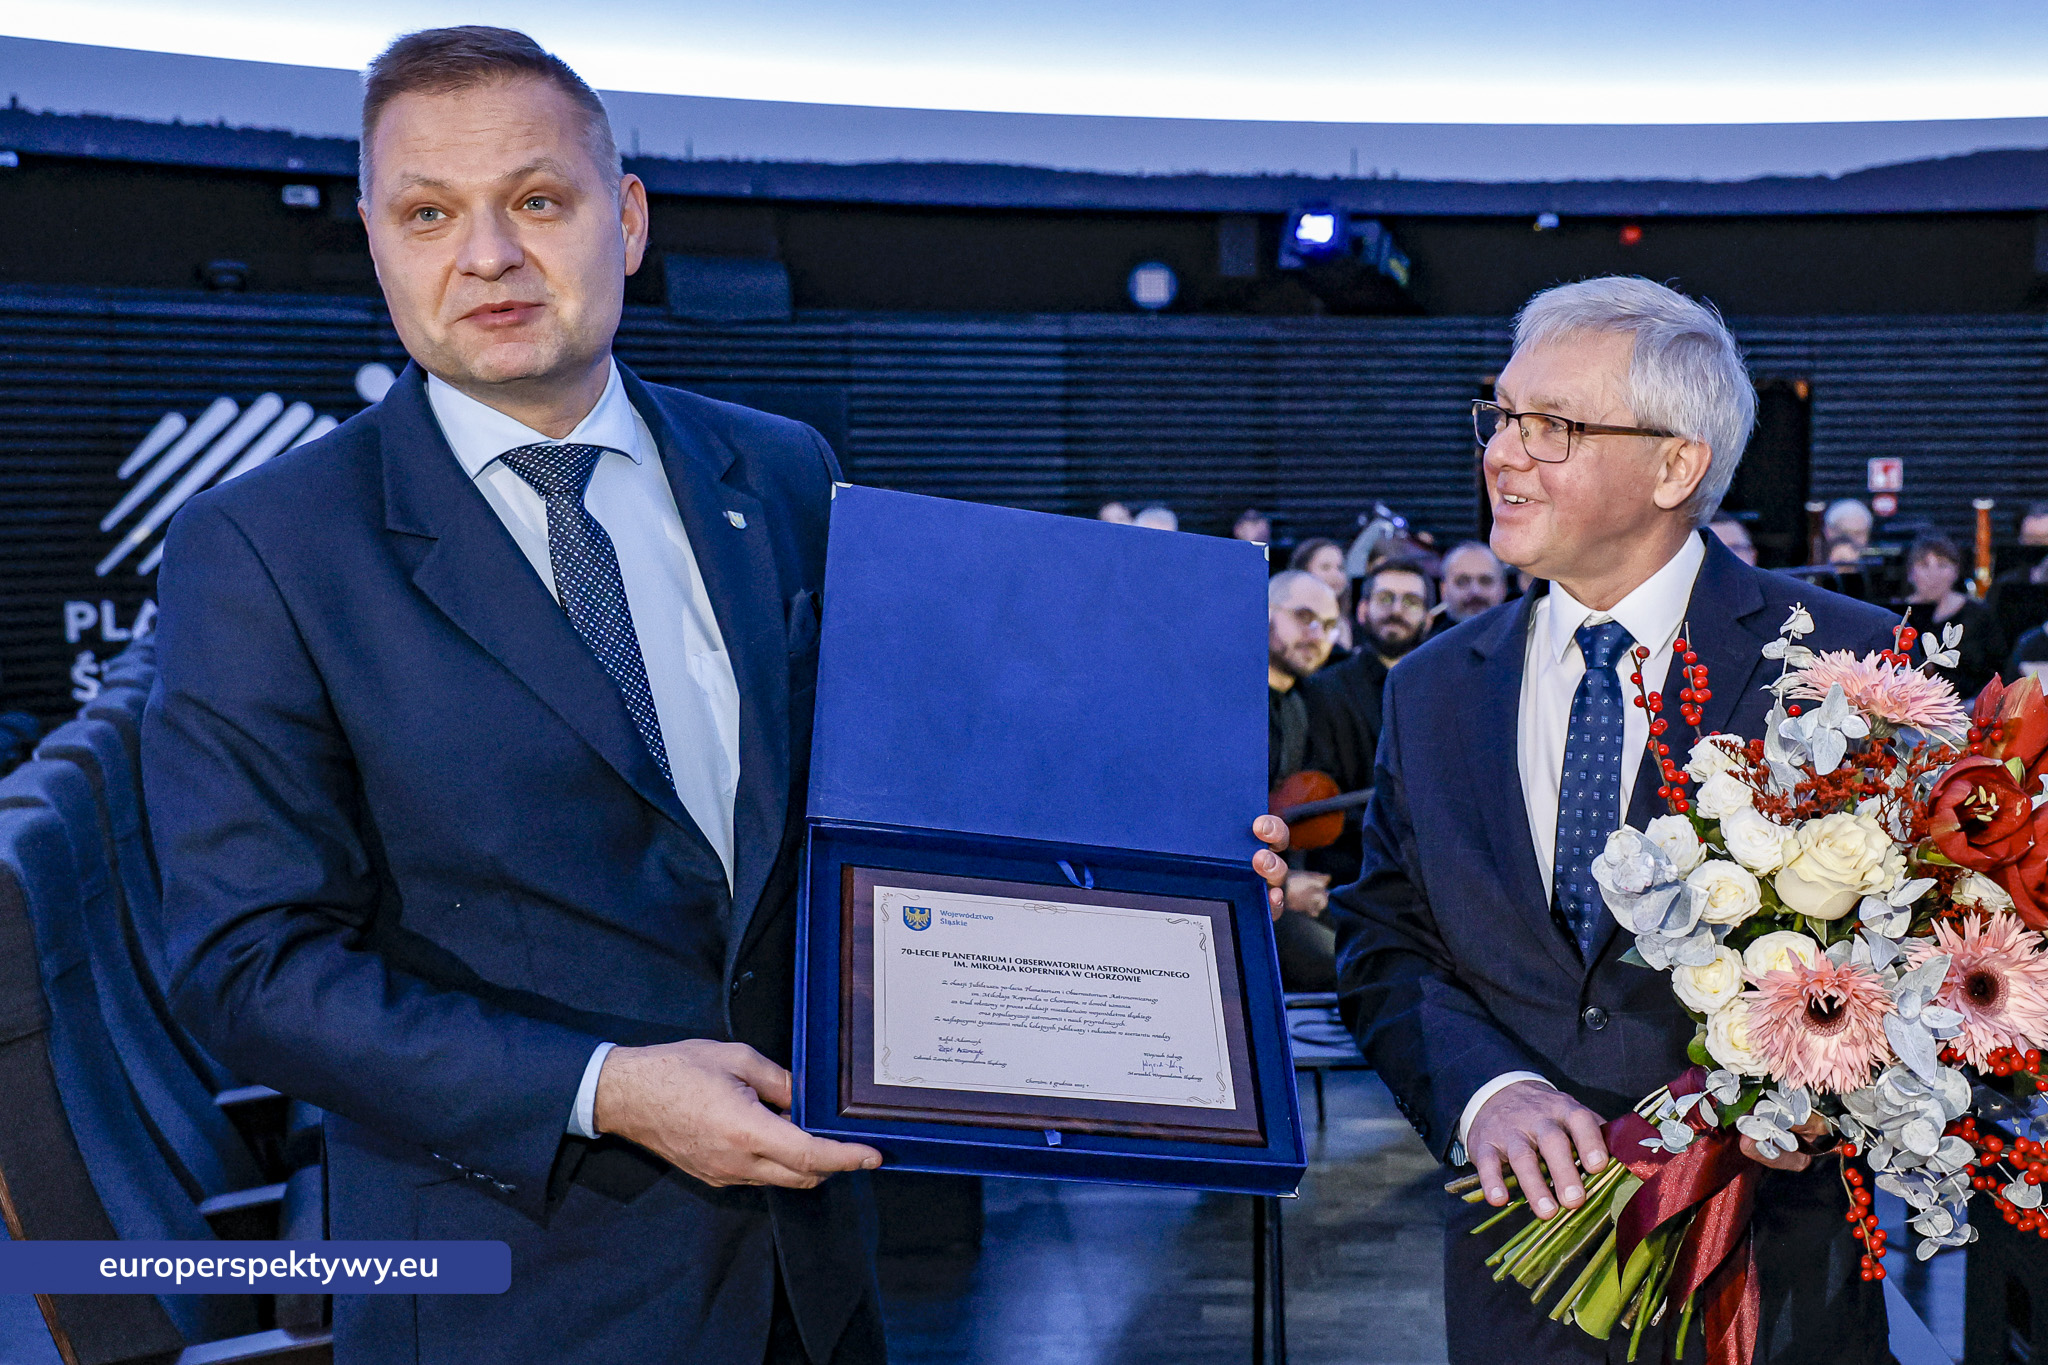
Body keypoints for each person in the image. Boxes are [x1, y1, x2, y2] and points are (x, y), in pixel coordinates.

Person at [140, 27, 1293, 1365]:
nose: (488, 255)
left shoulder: (780, 470)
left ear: (626, 219)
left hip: (813, 1274)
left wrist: (1160, 884)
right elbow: (246, 965)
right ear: (377, 240)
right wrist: (606, 1089)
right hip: (519, 1293)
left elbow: (902, 799)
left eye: (538, 201)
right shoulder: (267, 547)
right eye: (429, 214)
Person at [1330, 276, 1894, 1364]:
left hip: (1773, 1281)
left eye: (1552, 426)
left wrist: (1835, 1089)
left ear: (1675, 466)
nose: (1502, 454)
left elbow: (1938, 949)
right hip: (1522, 1277)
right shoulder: (1431, 688)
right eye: (1500, 415)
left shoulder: (1844, 665)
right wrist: (1484, 1094)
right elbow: (1384, 939)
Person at [1297, 557, 1433, 888]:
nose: (1396, 610)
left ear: (1428, 619)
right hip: (1347, 876)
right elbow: (1318, 799)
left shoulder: (1445, 692)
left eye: (1411, 602)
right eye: (1385, 599)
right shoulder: (1323, 689)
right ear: (1361, 611)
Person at [1267, 569, 1340, 990]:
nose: (1317, 635)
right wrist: (1284, 882)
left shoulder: (1297, 705)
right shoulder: (1230, 701)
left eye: (1329, 625)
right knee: (1344, 966)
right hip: (1241, 894)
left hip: (1282, 886)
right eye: (1304, 617)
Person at [1903, 531, 2002, 699]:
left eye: (1942, 565)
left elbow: (1997, 667)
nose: (1933, 574)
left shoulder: (1979, 614)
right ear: (1911, 573)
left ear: (1956, 571)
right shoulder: (1897, 615)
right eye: (1924, 565)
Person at [1289, 536, 1356, 654]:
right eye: (1325, 567)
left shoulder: (1349, 623)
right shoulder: (1289, 621)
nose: (1336, 575)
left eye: (1340, 568)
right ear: (1304, 572)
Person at [1437, 540, 1509, 625]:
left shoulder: (1521, 632)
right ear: (1443, 590)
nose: (1475, 591)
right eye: (1462, 582)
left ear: (1503, 588)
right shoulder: (1430, 634)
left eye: (1485, 581)